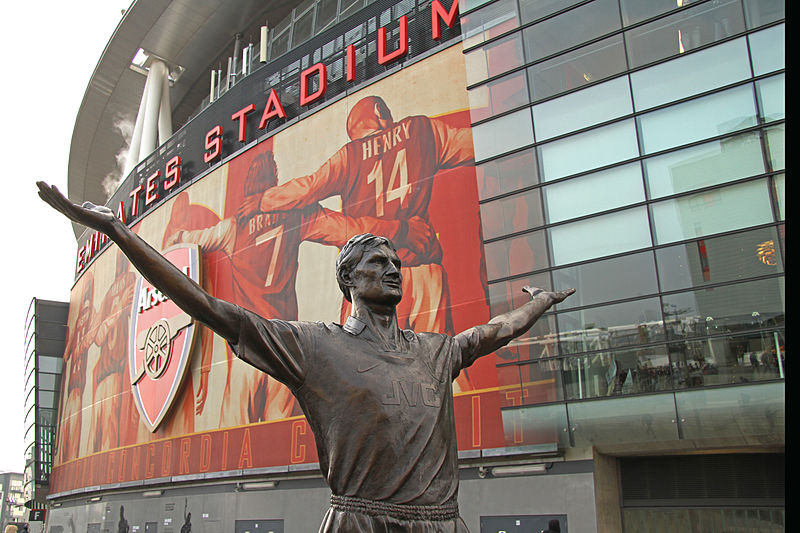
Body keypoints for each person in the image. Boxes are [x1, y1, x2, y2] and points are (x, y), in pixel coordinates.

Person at [38, 181, 574, 532]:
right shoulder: (315, 347)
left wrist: (538, 306)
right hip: (364, 524)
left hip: (442, 522)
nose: (393, 269)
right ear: (349, 281)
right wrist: (117, 231)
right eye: (377, 262)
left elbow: (495, 330)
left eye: (396, 262)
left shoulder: (433, 351)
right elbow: (206, 305)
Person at [165, 150, 437, 424]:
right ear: (274, 183)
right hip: (285, 346)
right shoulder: (296, 215)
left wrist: (176, 232)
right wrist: (401, 229)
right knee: (280, 424)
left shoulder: (233, 227)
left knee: (234, 434)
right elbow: (348, 229)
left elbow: (190, 240)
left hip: (247, 345)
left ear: (249, 188)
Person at [238, 96, 475, 339]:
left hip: (369, 280)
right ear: (380, 114)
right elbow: (475, 140)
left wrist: (262, 201)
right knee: (437, 363)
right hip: (423, 271)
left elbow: (307, 188)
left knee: (359, 363)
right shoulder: (423, 130)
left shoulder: (348, 156)